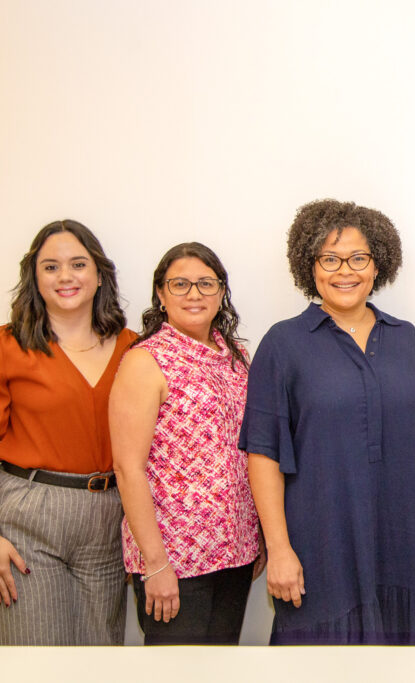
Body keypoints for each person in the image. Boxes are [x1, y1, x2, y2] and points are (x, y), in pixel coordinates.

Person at [240, 199, 415, 645]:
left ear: (378, 266)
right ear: (309, 267)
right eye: (329, 259)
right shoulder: (283, 344)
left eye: (358, 258)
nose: (344, 271)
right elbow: (263, 454)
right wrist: (278, 549)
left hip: (398, 544)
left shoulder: (406, 339)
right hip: (320, 550)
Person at [0, 219, 134, 645]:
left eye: (78, 264)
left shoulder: (133, 348)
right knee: (30, 657)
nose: (65, 276)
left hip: (107, 515)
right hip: (28, 516)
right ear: (34, 277)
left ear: (100, 274)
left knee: (99, 655)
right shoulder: (4, 345)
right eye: (50, 267)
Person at [109, 242, 261, 645]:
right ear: (161, 293)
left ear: (222, 292)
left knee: (222, 666)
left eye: (206, 284)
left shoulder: (237, 356)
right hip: (175, 559)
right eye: (180, 284)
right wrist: (156, 564)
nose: (194, 294)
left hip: (236, 551)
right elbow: (128, 468)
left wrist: (258, 535)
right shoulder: (145, 361)